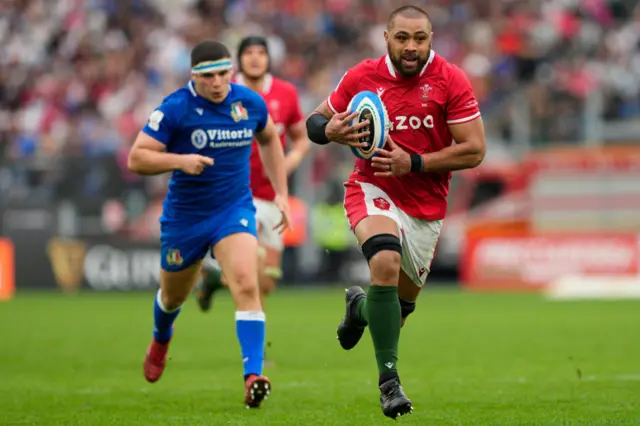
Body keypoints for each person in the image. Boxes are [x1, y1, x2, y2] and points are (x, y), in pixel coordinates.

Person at [305, 5, 486, 419]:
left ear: (431, 40)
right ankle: (390, 384)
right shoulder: (362, 76)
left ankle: (360, 309)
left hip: (426, 205)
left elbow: (475, 149)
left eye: (419, 39)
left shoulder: (450, 79)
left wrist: (415, 162)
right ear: (386, 38)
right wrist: (328, 131)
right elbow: (316, 121)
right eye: (402, 38)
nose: (411, 47)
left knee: (397, 312)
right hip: (373, 187)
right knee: (383, 259)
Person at [127, 39, 290, 409]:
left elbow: (270, 140)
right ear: (193, 77)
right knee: (172, 298)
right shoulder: (175, 108)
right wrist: (181, 161)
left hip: (233, 210)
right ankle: (161, 339)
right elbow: (137, 158)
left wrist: (280, 191)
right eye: (208, 76)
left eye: (223, 74)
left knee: (248, 283)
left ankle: (253, 375)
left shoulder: (248, 102)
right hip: (186, 218)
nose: (218, 83)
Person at [194, 36, 309, 320]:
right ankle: (258, 350)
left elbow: (301, 136)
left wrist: (290, 160)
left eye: (261, 52)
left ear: (269, 58)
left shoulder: (285, 93)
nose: (255, 58)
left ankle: (215, 280)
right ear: (239, 59)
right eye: (249, 53)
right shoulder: (226, 93)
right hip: (238, 195)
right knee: (252, 268)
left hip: (273, 196)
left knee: (267, 281)